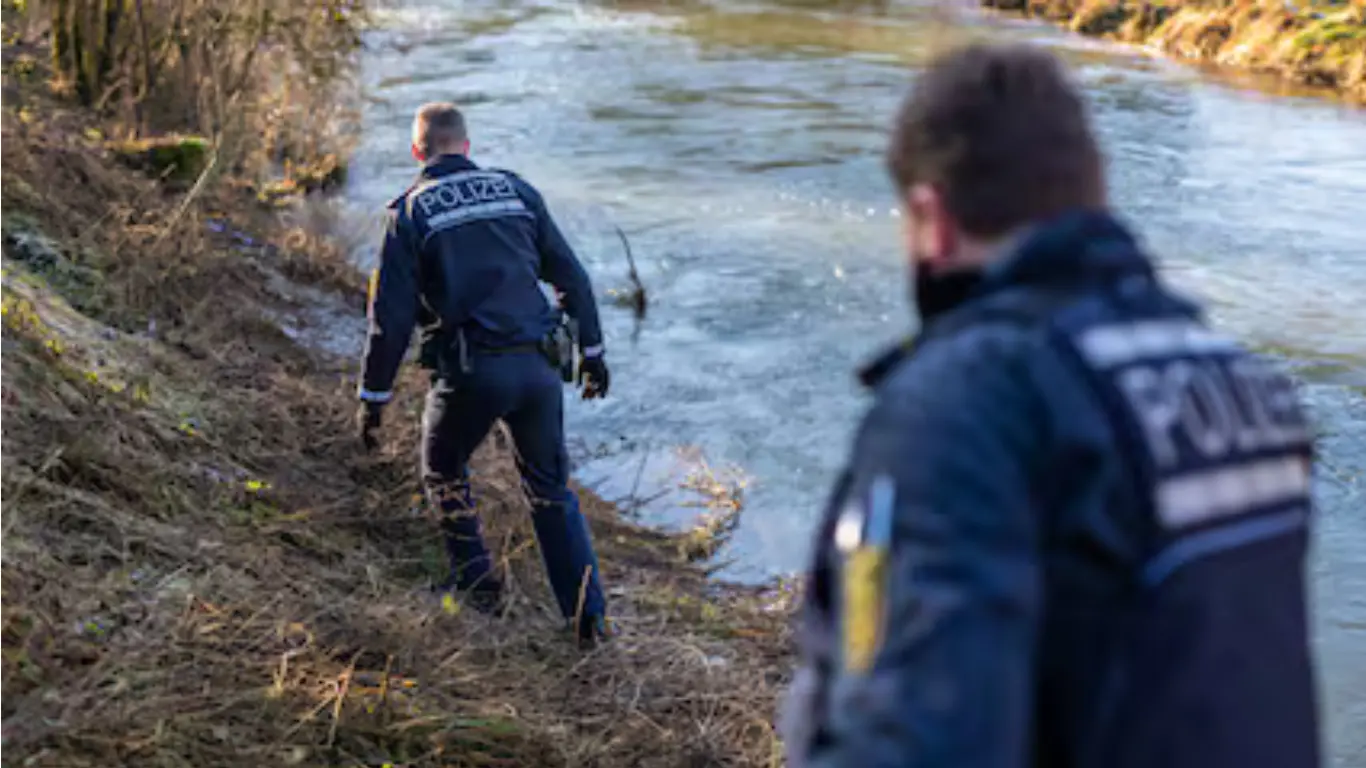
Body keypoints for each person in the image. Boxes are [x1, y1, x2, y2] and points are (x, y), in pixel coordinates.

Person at [782, 43, 1320, 768]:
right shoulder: (1246, 387)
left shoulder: (968, 401)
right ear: (1090, 191)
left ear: (931, 218)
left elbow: (918, 742)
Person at [355, 102, 613, 646]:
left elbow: (391, 319)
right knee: (551, 490)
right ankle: (588, 616)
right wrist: (592, 353)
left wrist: (372, 398)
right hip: (540, 368)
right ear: (467, 147)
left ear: (417, 152)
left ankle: (477, 588)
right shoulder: (515, 191)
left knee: (442, 466)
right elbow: (573, 279)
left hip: (472, 373)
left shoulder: (409, 212)